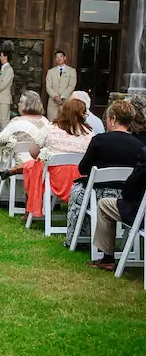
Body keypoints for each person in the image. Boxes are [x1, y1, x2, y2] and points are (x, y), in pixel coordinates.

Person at [65, 100, 144, 247]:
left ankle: (75, 238)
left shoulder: (99, 140)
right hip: (125, 195)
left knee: (77, 191)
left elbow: (83, 168)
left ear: (113, 119)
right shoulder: (139, 146)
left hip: (97, 193)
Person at [23, 98, 94, 219]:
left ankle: (29, 210)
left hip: (54, 177)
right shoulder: (89, 133)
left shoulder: (50, 128)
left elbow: (33, 152)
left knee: (30, 167)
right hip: (79, 179)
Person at [0, 91, 49, 207]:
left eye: (21, 102)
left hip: (20, 162)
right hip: (41, 164)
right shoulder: (45, 122)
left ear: (28, 105)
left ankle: (5, 198)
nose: (18, 104)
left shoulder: (17, 122)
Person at [91, 145, 146, 270]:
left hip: (142, 214)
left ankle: (107, 258)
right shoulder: (136, 144)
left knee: (104, 204)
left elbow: (131, 187)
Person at [45, 50, 77, 121]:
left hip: (66, 101)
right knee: (52, 124)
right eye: (57, 57)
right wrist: (55, 96)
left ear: (64, 58)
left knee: (65, 123)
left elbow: (71, 85)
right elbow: (48, 86)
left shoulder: (72, 71)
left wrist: (62, 96)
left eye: (61, 56)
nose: (59, 58)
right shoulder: (50, 72)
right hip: (53, 102)